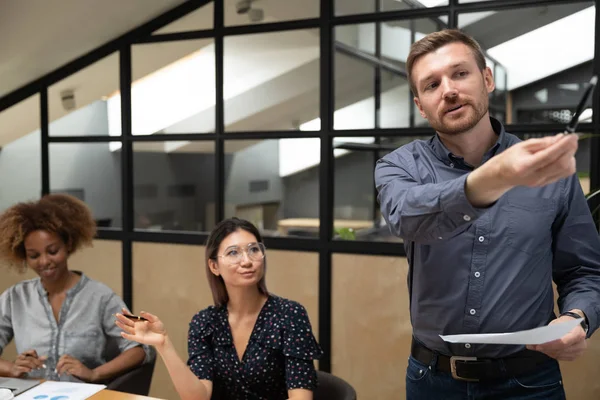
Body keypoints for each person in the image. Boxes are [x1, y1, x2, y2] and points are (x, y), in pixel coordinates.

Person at [374, 29, 600, 399]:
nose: (447, 90)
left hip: (529, 382)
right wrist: (494, 178)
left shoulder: (551, 173)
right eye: (431, 85)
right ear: (420, 104)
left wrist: (578, 318)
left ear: (487, 79)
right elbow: (407, 217)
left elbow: (585, 270)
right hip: (433, 381)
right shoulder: (398, 167)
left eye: (460, 73)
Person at [115, 217, 322, 400]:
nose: (247, 261)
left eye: (254, 250)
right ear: (214, 266)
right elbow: (198, 396)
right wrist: (164, 345)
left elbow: (301, 398)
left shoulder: (290, 315)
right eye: (233, 253)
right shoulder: (205, 322)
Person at [0, 194, 152, 383]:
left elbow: (138, 350)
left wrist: (95, 373)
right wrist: (11, 368)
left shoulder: (100, 297)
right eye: (33, 255)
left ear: (68, 244)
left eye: (52, 251)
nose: (44, 261)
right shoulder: (15, 297)